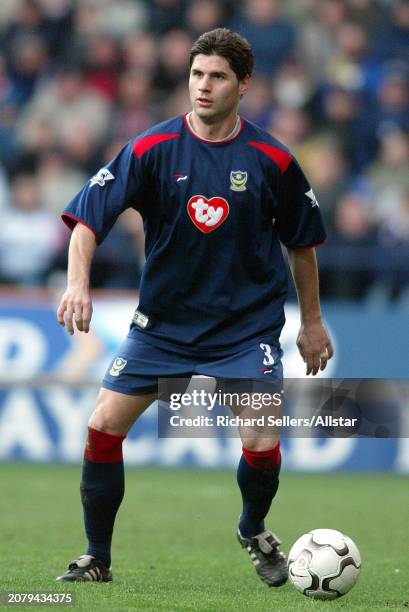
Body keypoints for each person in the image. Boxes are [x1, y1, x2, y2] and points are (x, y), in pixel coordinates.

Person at [56, 28, 333, 587]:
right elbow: (87, 220)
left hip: (245, 327)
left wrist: (313, 321)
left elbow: (301, 245)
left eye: (218, 77)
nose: (203, 87)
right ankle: (96, 557)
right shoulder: (150, 148)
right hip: (163, 326)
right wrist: (77, 284)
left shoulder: (273, 158)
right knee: (102, 428)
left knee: (260, 440)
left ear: (244, 84)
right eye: (196, 75)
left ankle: (252, 528)